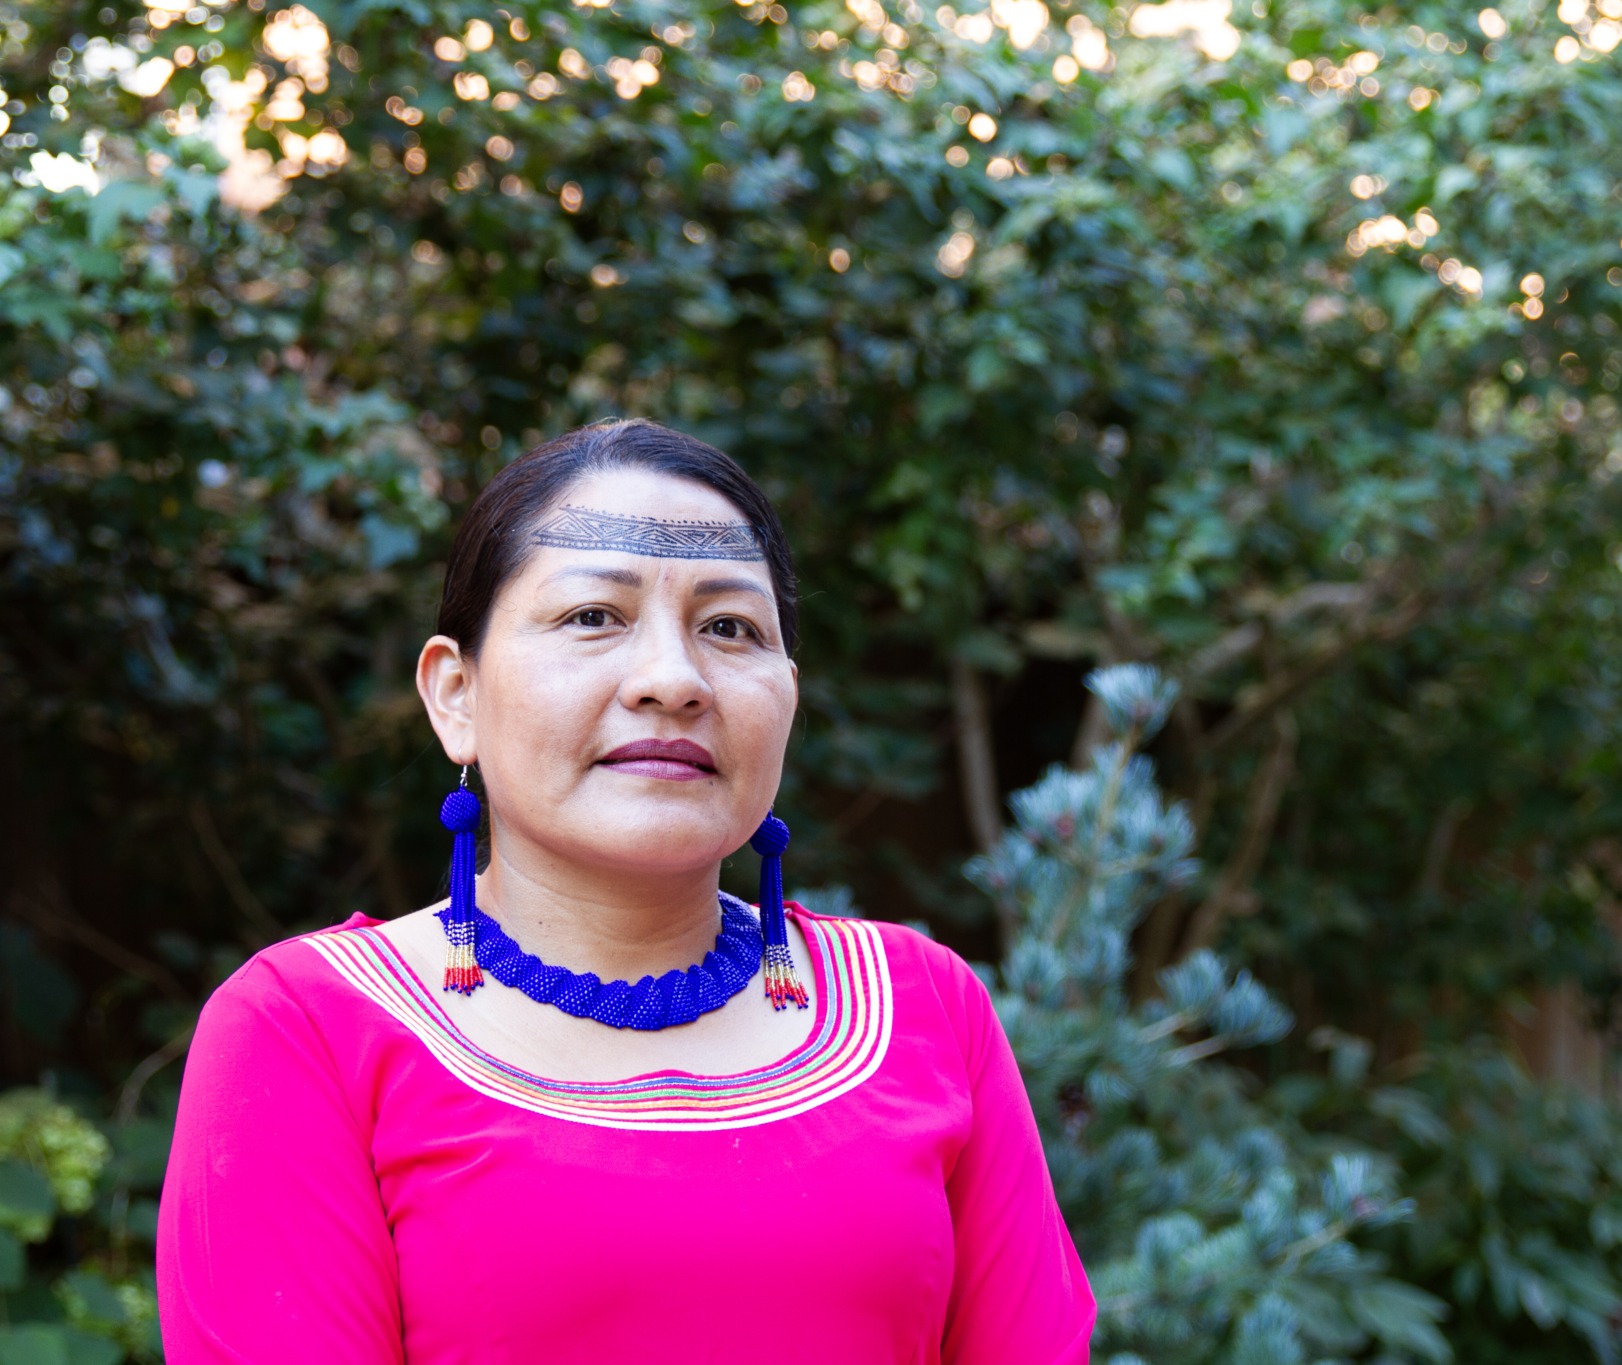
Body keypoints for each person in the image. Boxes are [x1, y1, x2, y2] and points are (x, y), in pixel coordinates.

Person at [158, 419, 1095, 1364]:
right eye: (593, 617)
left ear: (790, 698)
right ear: (454, 695)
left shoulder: (921, 1006)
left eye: (729, 627)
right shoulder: (309, 1028)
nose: (672, 680)